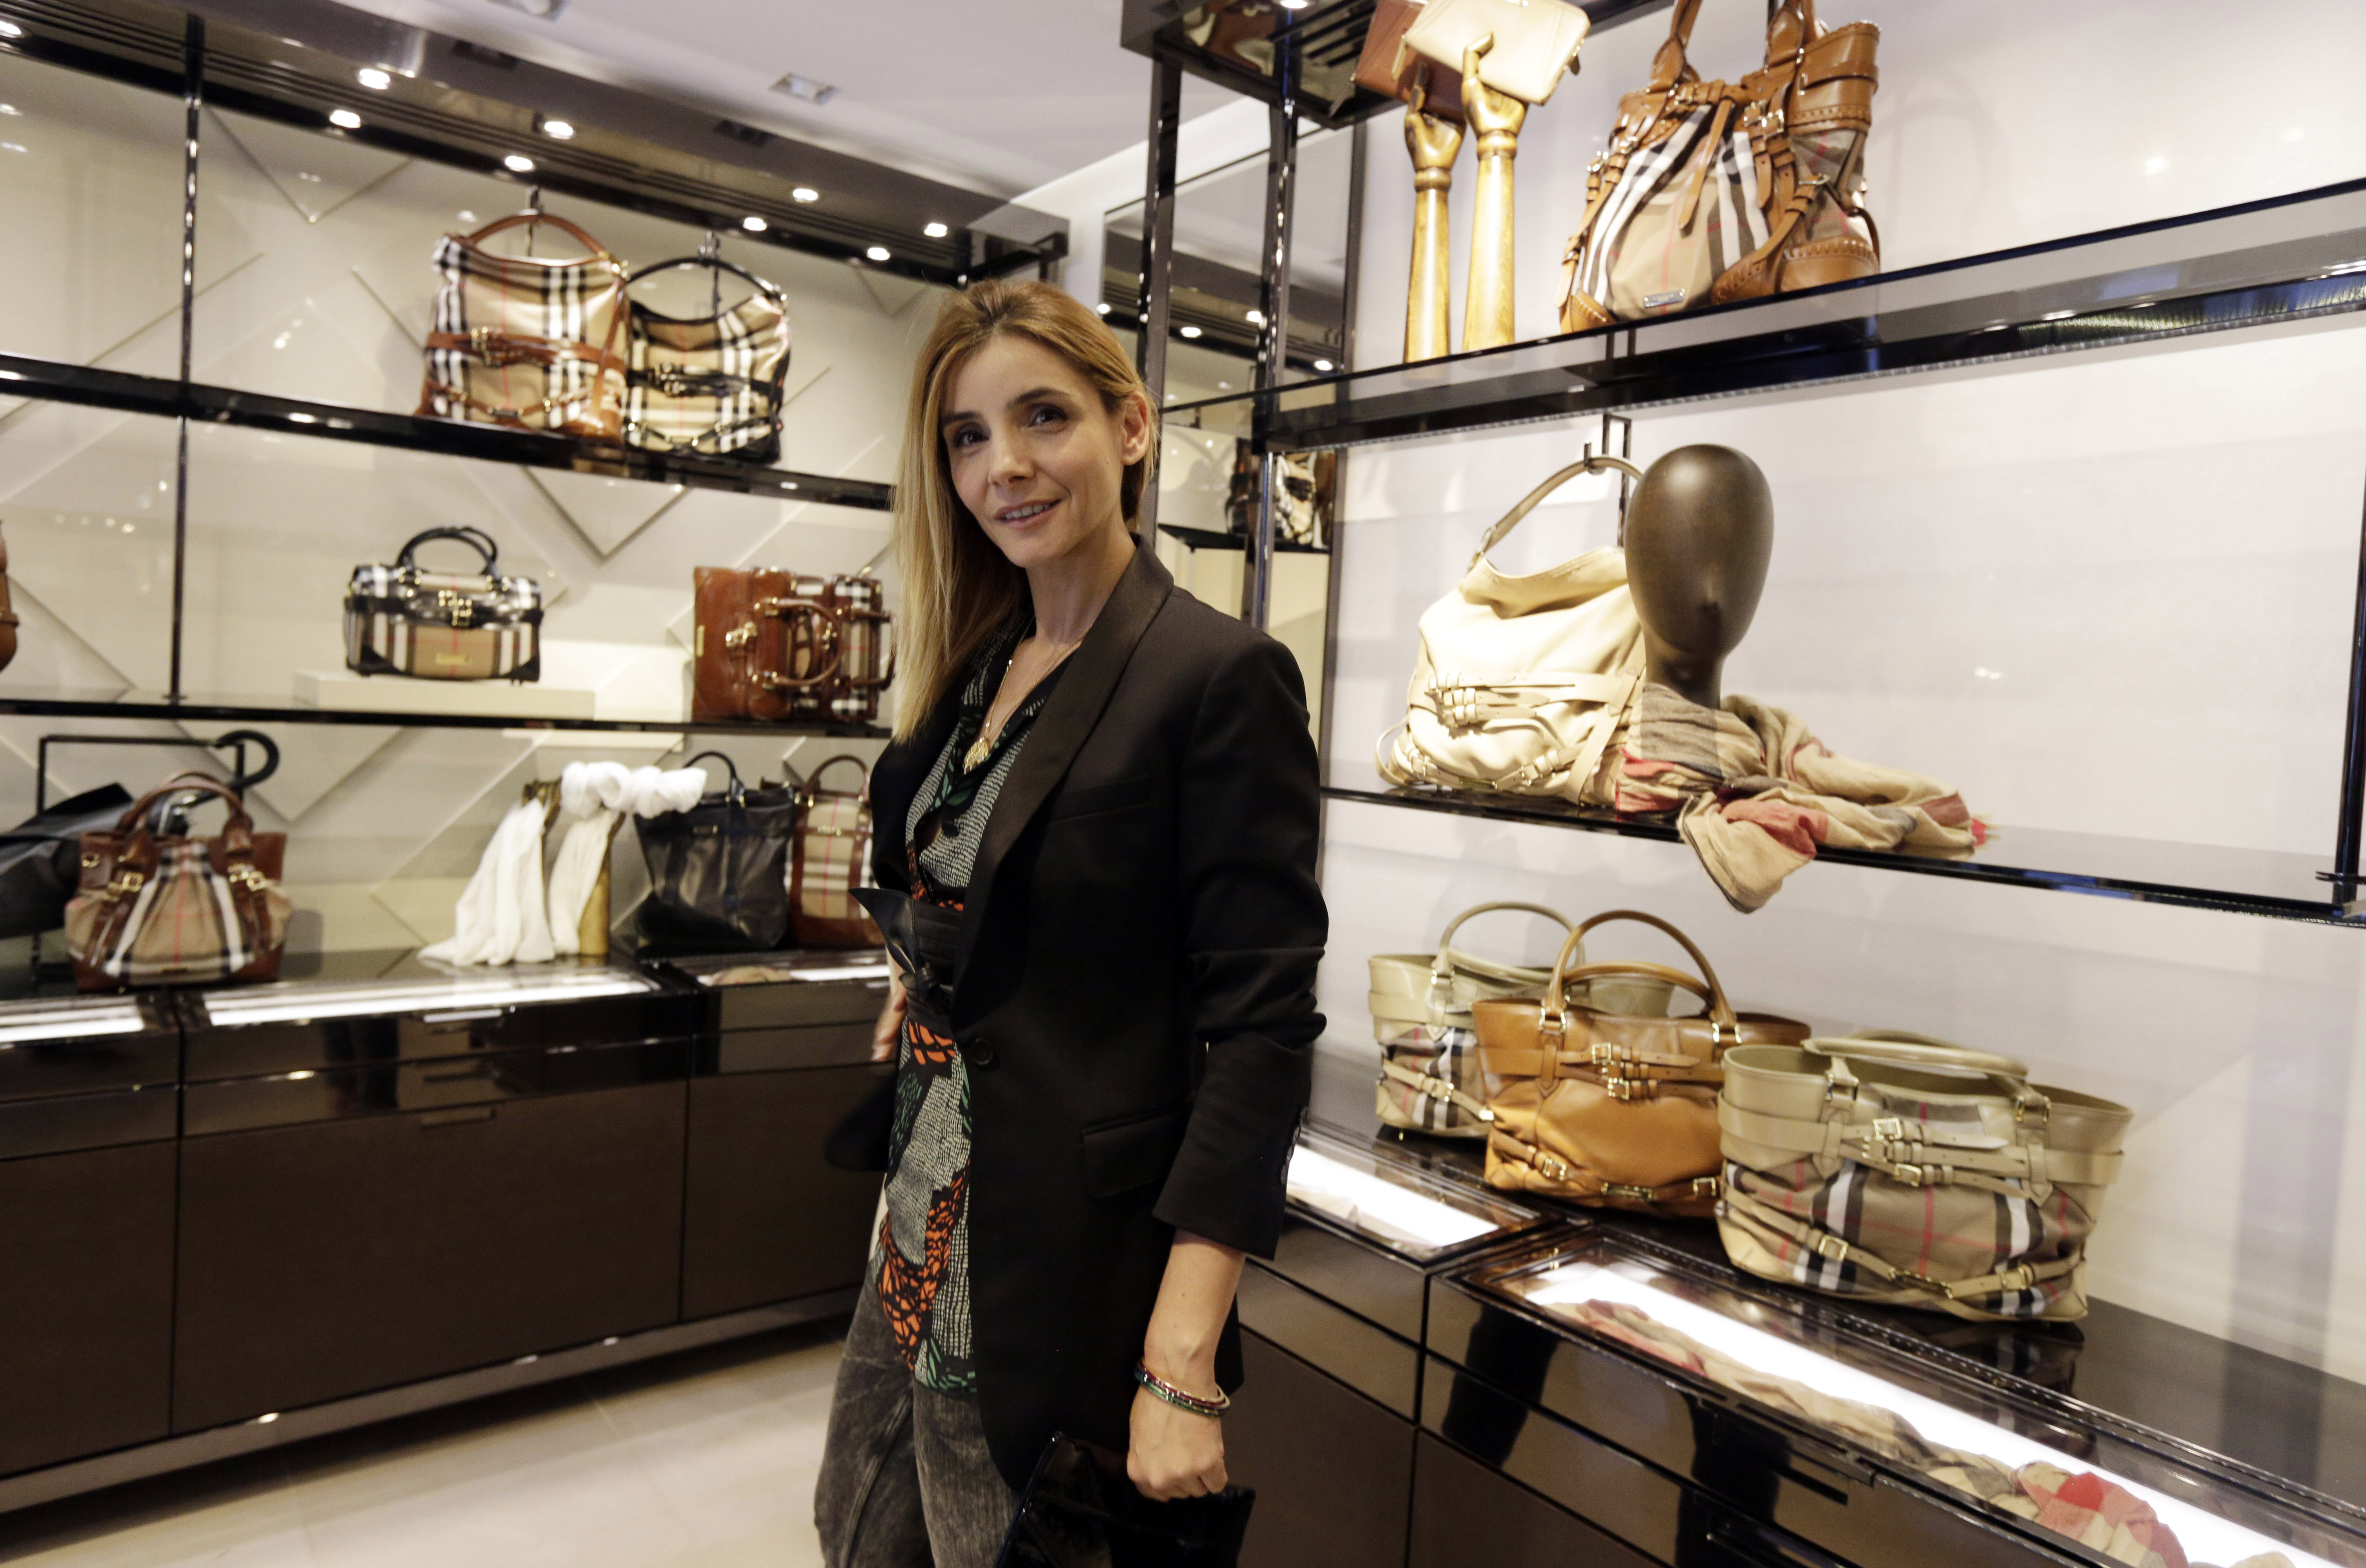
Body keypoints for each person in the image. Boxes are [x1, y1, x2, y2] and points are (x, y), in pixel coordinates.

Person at [812, 279, 1327, 1567]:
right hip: (915, 1239)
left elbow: (1260, 1034)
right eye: (967, 436)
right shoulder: (975, 669)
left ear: (1131, 426)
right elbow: (977, 887)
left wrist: (1182, 1363)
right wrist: (932, 970)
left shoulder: (1216, 676)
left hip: (1059, 1272)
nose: (1005, 465)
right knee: (857, 1537)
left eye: (1044, 416)